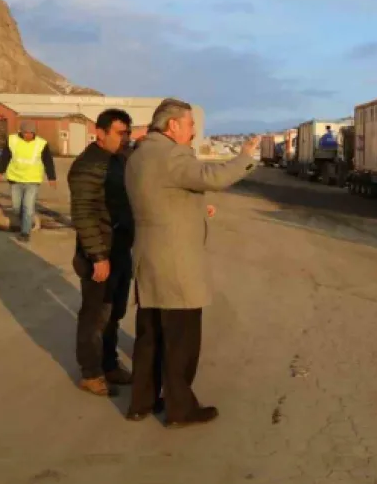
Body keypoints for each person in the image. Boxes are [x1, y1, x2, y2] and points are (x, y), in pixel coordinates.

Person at [124, 98, 259, 427]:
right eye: (189, 124)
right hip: (175, 263)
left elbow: (163, 197)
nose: (193, 131)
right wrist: (244, 156)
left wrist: (196, 209)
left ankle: (142, 402)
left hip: (148, 256)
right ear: (173, 126)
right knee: (181, 339)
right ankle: (180, 409)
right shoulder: (172, 154)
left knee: (150, 335)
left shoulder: (139, 154)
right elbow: (211, 176)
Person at [67, 109, 137, 398]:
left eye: (128, 133)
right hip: (101, 252)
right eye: (120, 133)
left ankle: (109, 364)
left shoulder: (119, 158)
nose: (125, 139)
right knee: (95, 315)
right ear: (100, 132)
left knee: (115, 312)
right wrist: (97, 256)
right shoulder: (87, 166)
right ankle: (91, 373)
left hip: (121, 248)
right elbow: (83, 214)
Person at [0, 120, 57, 242]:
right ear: (21, 132)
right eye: (26, 133)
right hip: (15, 179)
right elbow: (5, 156)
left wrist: (52, 177)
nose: (29, 136)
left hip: (32, 181)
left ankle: (25, 232)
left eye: (31, 133)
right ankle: (28, 220)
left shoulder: (41, 144)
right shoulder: (12, 140)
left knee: (28, 207)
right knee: (16, 208)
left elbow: (48, 161)